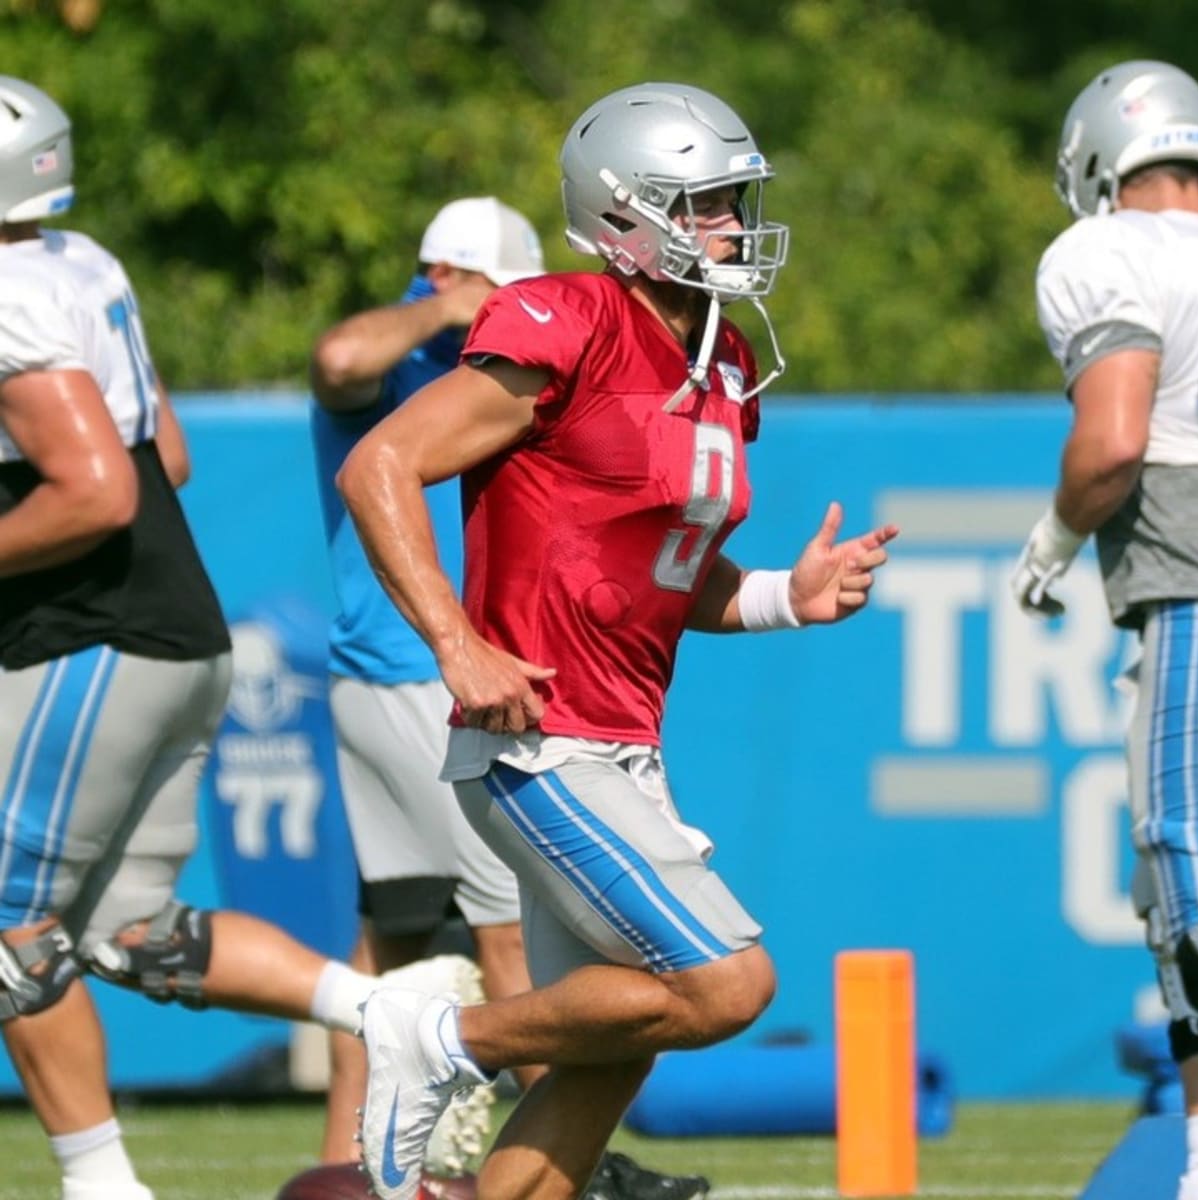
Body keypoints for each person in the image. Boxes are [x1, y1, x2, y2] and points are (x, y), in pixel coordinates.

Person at [337, 81, 898, 1200]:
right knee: (728, 984)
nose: (734, 225)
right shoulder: (569, 318)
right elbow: (379, 465)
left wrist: (791, 593)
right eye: (704, 205)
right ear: (625, 215)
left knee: (619, 1043)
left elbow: (666, 576)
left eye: (735, 199)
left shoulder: (725, 361)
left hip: (623, 745)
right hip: (539, 736)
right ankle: (443, 1037)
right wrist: (457, 645)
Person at [0, 76, 386, 1200]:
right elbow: (163, 452)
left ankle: (103, 1188)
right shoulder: (78, 262)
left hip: (94, 634)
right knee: (131, 933)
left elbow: (98, 494)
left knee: (10, 928)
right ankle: (390, 1010)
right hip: (175, 631)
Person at [309, 197, 711, 1200]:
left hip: (454, 671)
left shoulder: (570, 347)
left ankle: (357, 1167)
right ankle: (477, 1072)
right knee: (529, 946)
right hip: (446, 671)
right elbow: (343, 369)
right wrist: (447, 310)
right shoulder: (448, 344)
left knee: (398, 939)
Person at [1011, 59, 1198, 1200]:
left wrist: (1052, 542)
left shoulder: (1106, 250)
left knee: (1182, 861)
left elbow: (1113, 442)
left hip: (1187, 576)